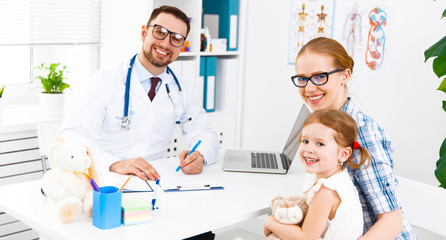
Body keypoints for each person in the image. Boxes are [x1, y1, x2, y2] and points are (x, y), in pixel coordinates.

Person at [60, 6, 218, 182]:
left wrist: (201, 156)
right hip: (105, 179)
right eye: (160, 32)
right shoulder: (104, 80)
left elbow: (205, 133)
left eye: (177, 38)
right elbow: (72, 135)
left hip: (155, 181)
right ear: (144, 33)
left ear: (182, 46)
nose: (166, 44)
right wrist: (114, 163)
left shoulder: (182, 88)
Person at [291, 37, 417, 239]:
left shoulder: (362, 132)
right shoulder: (319, 125)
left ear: (344, 76)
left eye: (319, 77)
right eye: (302, 79)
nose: (309, 88)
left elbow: (392, 222)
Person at [264, 109, 370, 239]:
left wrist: (270, 222)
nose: (309, 149)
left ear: (343, 154)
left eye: (320, 144)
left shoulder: (327, 191)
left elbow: (305, 237)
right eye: (305, 141)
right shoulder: (326, 176)